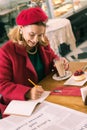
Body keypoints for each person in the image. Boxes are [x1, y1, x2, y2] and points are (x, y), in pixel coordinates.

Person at [0, 7, 69, 118]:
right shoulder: (6, 51)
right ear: (21, 29)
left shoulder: (42, 41)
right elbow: (2, 84)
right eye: (32, 34)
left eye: (40, 34)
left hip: (43, 97)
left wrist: (59, 63)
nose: (36, 39)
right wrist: (27, 92)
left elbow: (52, 58)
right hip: (20, 105)